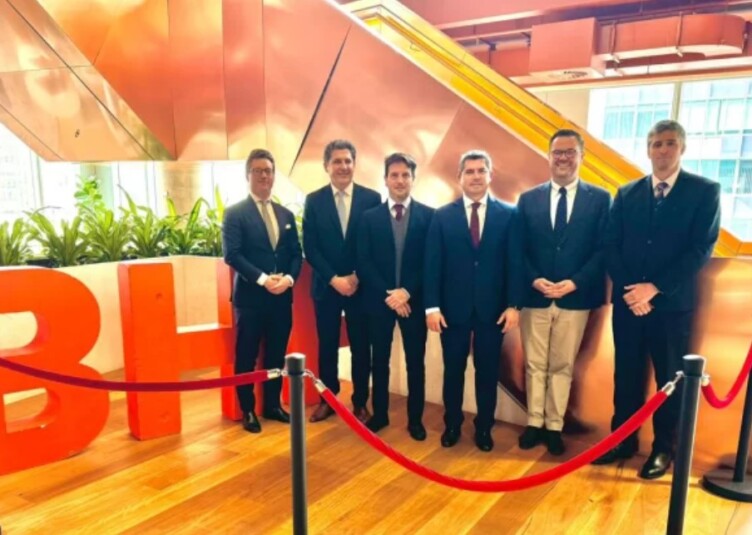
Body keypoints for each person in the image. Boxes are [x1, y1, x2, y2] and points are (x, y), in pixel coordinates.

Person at [593, 120, 721, 479]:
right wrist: (632, 291)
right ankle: (622, 440)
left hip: (671, 307)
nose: (662, 150)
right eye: (656, 144)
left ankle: (664, 449)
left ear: (682, 148)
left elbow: (701, 248)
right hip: (628, 304)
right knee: (626, 375)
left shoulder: (704, 191)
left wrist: (654, 288)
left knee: (670, 379)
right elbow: (610, 245)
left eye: (669, 143)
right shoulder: (627, 193)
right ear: (648, 149)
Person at [515, 129, 611, 455]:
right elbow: (518, 249)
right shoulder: (528, 199)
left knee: (562, 366)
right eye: (558, 152)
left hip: (575, 298)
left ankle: (554, 426)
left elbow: (603, 249)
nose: (563, 158)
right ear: (549, 156)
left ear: (581, 156)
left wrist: (576, 281)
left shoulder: (600, 199)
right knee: (534, 364)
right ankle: (534, 422)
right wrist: (534, 279)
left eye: (570, 152)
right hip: (536, 296)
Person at [424, 149, 522, 452]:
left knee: (487, 372)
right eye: (470, 171)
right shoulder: (442, 216)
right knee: (453, 370)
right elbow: (432, 264)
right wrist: (432, 307)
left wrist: (514, 305)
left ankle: (484, 427)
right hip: (452, 310)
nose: (476, 176)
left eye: (481, 170)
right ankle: (452, 423)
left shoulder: (510, 214)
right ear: (460, 177)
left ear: (490, 175)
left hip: (493, 311)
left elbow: (515, 263)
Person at [222, 148, 303, 433]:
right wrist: (263, 279)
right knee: (246, 355)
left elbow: (296, 254)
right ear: (248, 175)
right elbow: (232, 254)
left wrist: (289, 279)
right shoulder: (234, 214)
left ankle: (272, 405)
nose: (264, 176)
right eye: (258, 171)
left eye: (268, 171)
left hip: (282, 298)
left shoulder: (286, 214)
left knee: (276, 354)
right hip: (251, 299)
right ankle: (247, 409)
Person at [303, 140, 381, 423]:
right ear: (326, 166)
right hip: (327, 286)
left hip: (361, 287)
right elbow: (310, 247)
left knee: (361, 346)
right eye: (337, 161)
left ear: (354, 164)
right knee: (327, 345)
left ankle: (360, 402)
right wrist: (334, 279)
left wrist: (357, 276)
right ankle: (328, 399)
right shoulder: (314, 200)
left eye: (348, 161)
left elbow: (376, 244)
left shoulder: (371, 199)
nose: (343, 166)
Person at [357, 153, 434, 441]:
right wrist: (390, 295)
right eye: (394, 175)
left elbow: (431, 261)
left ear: (413, 179)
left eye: (405, 175)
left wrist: (406, 293)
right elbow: (364, 261)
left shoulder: (430, 216)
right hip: (379, 302)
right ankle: (380, 414)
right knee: (380, 361)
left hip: (413, 302)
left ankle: (415, 420)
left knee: (416, 363)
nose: (400, 181)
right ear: (386, 179)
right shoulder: (369, 217)